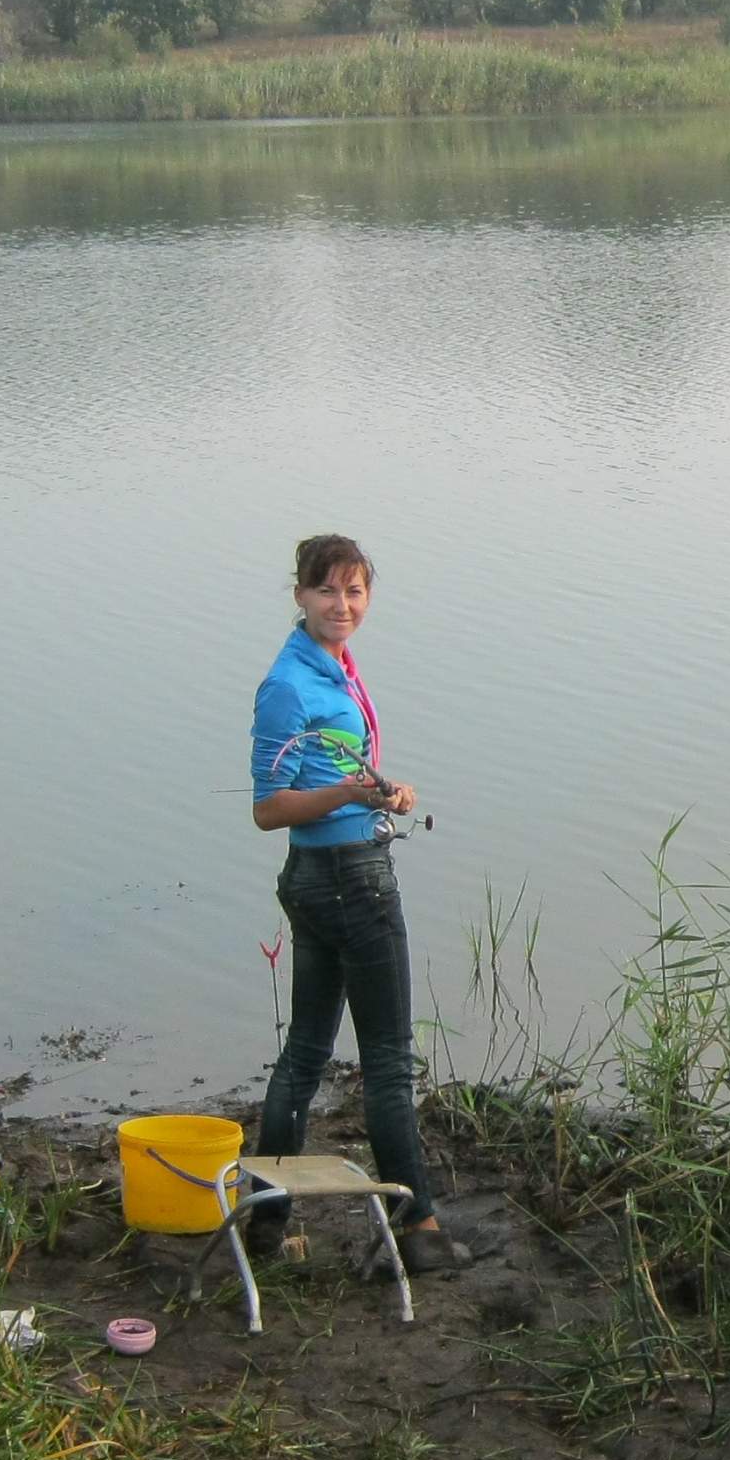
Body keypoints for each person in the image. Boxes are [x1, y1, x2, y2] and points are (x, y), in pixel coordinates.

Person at [248, 534, 486, 1272]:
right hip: (348, 882)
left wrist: (382, 791)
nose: (342, 605)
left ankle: (266, 1221)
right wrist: (349, 794)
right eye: (327, 590)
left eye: (354, 592)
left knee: (306, 1052)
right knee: (386, 1061)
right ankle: (421, 1231)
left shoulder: (334, 668)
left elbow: (332, 776)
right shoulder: (289, 685)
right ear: (300, 595)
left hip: (326, 877)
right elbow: (269, 808)